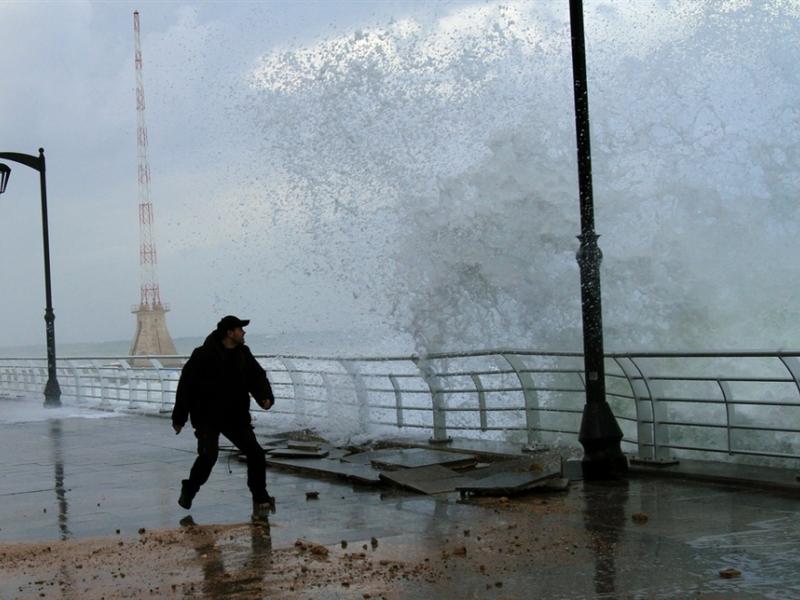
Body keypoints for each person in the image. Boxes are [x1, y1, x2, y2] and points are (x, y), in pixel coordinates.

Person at [172, 315, 275, 514]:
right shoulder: (202, 355)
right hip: (207, 417)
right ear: (229, 333)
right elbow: (186, 386)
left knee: (256, 454)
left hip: (235, 416)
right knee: (209, 456)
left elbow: (257, 377)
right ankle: (189, 488)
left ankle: (260, 496)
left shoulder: (243, 353)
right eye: (240, 329)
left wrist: (265, 397)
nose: (244, 333)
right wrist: (179, 417)